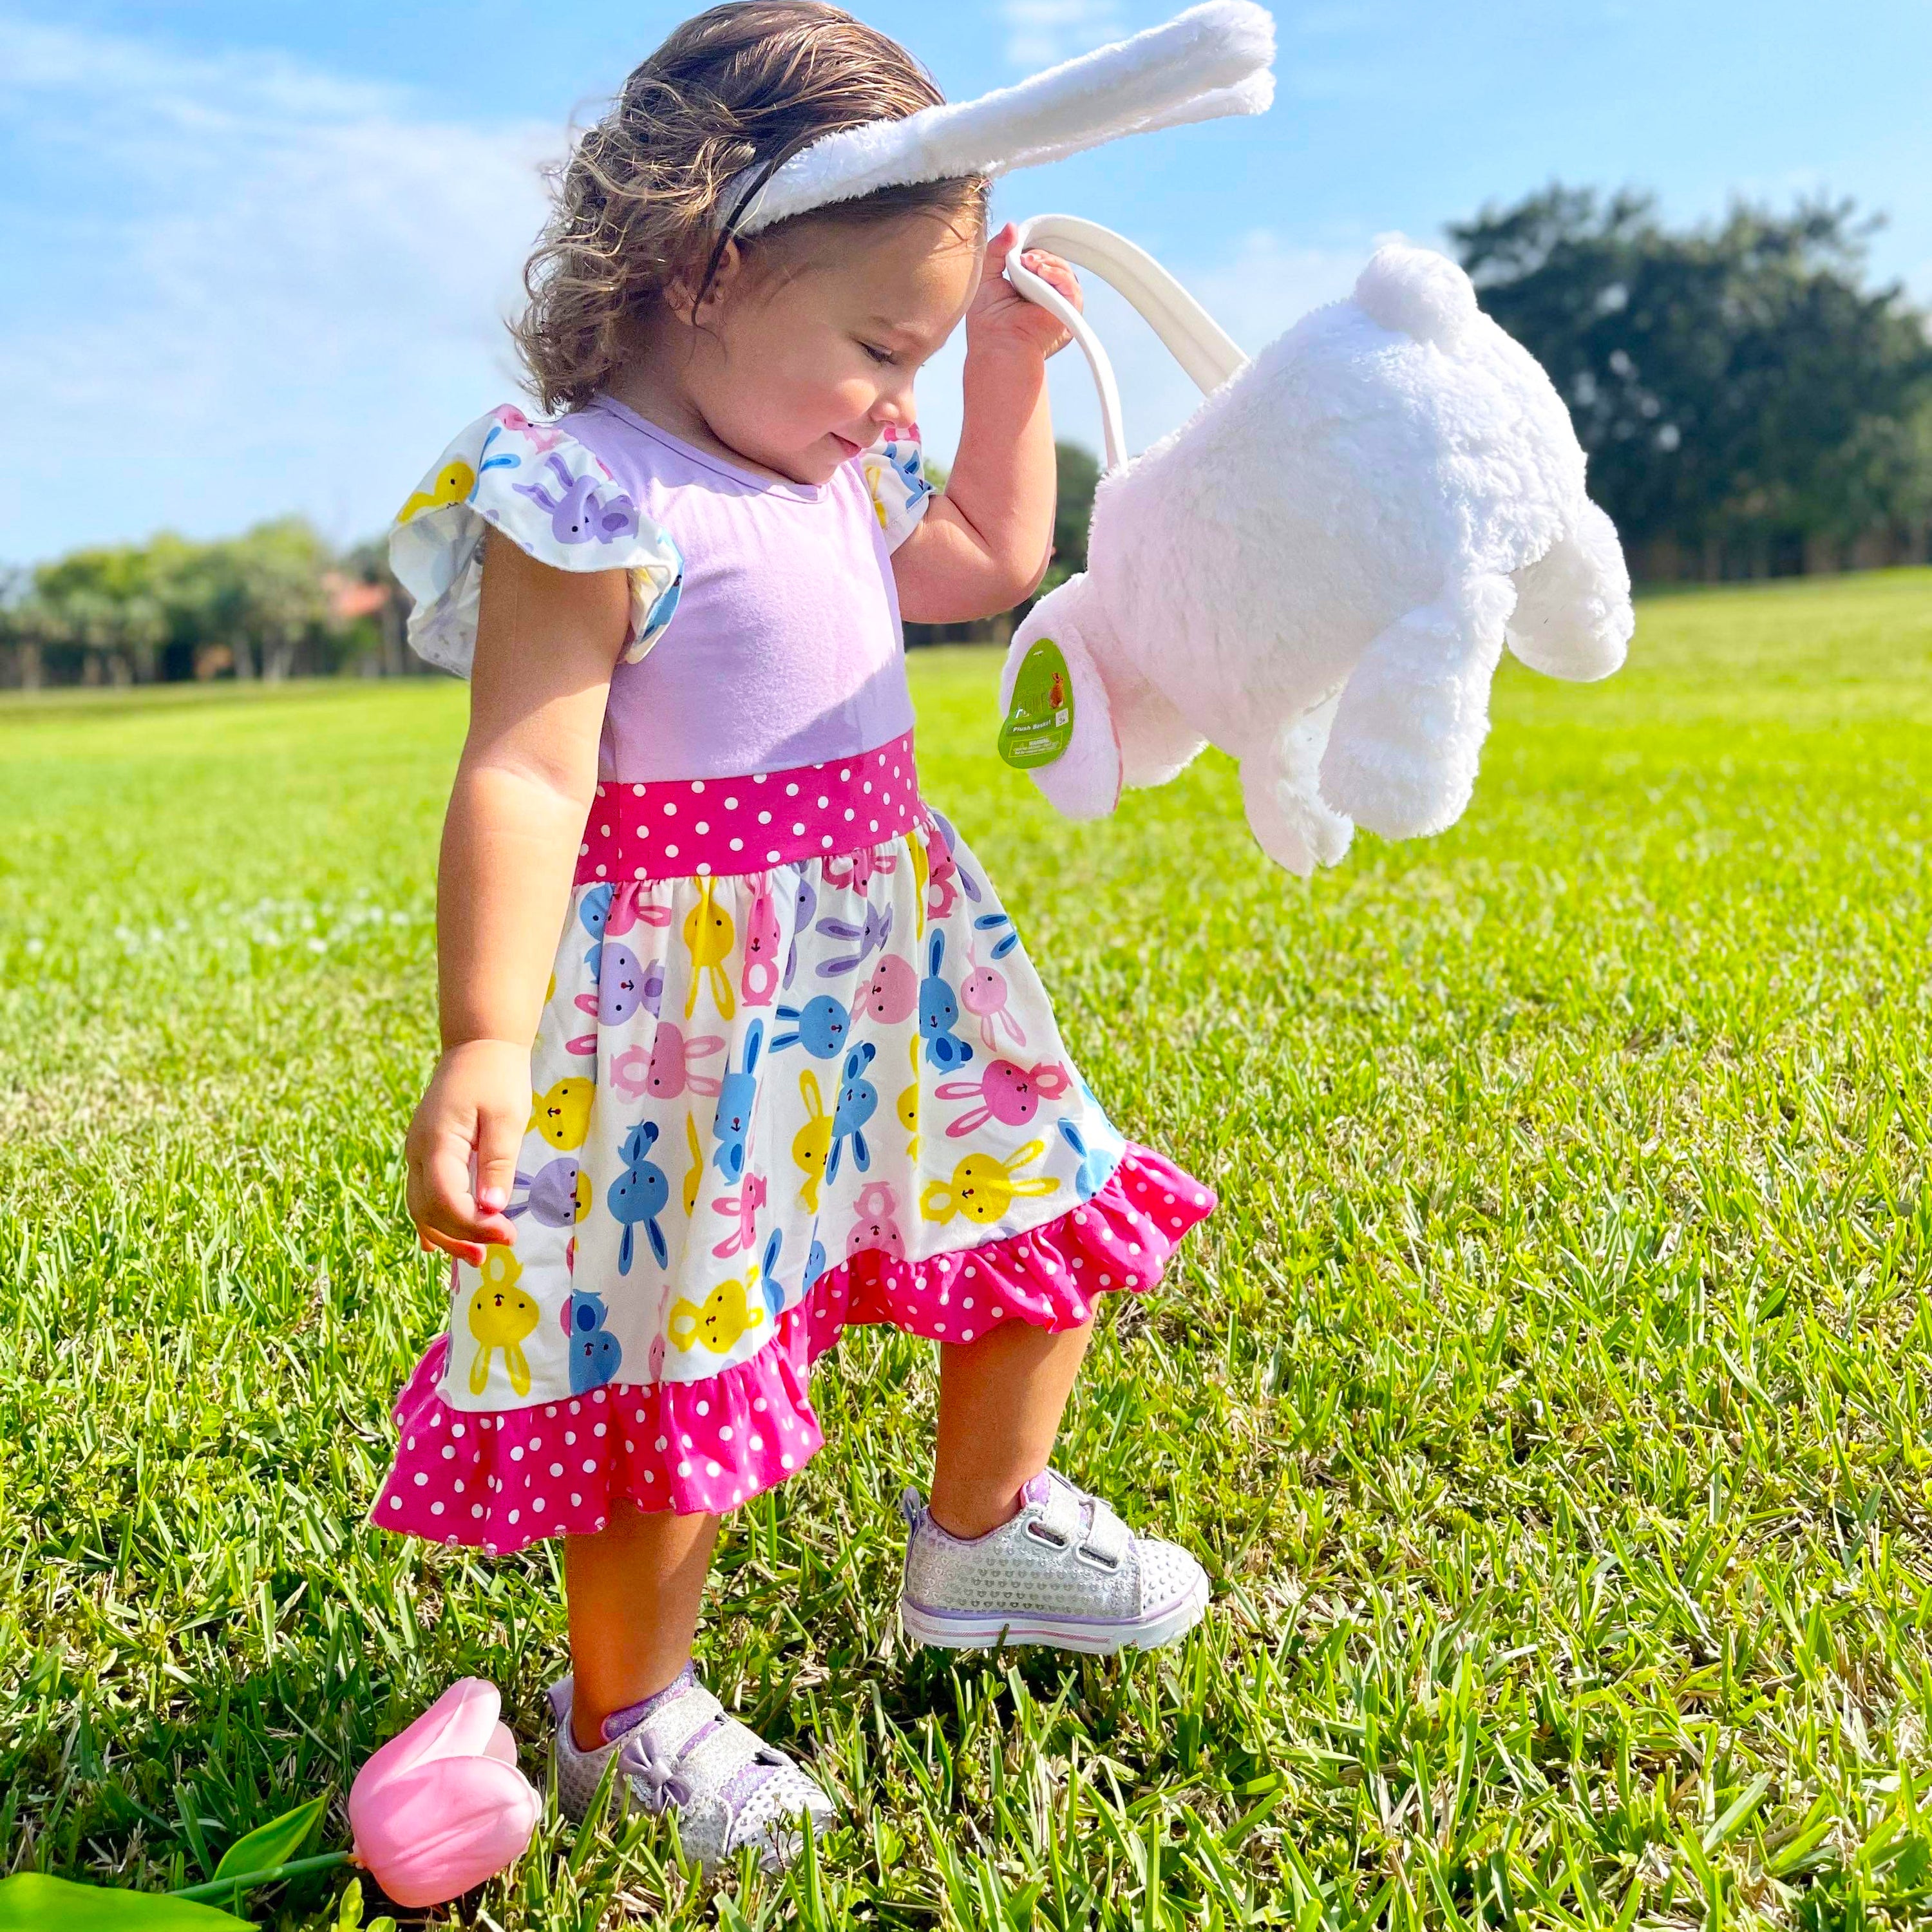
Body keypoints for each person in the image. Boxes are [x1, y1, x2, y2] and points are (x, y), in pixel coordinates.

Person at [374, 0, 1216, 1872]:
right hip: (695, 1011)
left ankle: (983, 1536)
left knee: (1031, 1217)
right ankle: (624, 1717)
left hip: (899, 957)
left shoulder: (840, 464)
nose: (893, 398)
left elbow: (995, 565)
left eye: (913, 359)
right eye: (878, 345)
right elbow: (524, 773)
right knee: (682, 1359)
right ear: (700, 266)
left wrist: (998, 372)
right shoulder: (588, 490)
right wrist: (484, 1039)